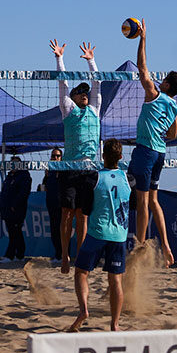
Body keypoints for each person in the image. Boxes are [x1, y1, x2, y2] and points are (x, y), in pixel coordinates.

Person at [129, 19, 177, 268]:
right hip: (160, 152)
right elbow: (173, 134)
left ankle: (140, 245)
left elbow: (142, 68)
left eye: (164, 80)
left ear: (167, 85)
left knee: (142, 204)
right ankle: (167, 245)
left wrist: (142, 39)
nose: (159, 80)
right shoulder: (174, 107)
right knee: (153, 202)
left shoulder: (154, 94)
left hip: (146, 152)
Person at [67, 139, 131, 332]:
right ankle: (115, 324)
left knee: (80, 272)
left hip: (97, 233)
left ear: (102, 156)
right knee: (116, 281)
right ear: (121, 157)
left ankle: (84, 310)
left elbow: (85, 210)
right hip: (119, 236)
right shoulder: (129, 179)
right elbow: (135, 204)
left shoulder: (93, 179)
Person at [51, 38, 101, 275]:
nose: (84, 94)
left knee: (82, 217)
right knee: (66, 215)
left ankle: (80, 256)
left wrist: (92, 61)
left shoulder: (94, 109)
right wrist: (59, 58)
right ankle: (64, 255)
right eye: (80, 92)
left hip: (90, 168)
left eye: (86, 92)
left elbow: (97, 82)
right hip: (70, 168)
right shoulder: (68, 109)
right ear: (73, 97)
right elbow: (62, 83)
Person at [0, 156, 33, 262]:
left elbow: (23, 193)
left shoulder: (24, 176)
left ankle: (10, 255)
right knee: (15, 232)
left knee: (15, 232)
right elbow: (4, 193)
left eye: (15, 164)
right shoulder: (9, 177)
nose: (12, 166)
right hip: (7, 209)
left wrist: (15, 205)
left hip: (17, 209)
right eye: (11, 164)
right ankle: (20, 255)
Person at [41, 147, 64, 263]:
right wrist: (47, 175)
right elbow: (44, 187)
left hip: (62, 205)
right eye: (53, 156)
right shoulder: (49, 172)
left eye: (57, 156)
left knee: (63, 231)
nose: (55, 158)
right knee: (54, 231)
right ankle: (58, 254)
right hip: (51, 204)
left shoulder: (64, 170)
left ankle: (63, 255)